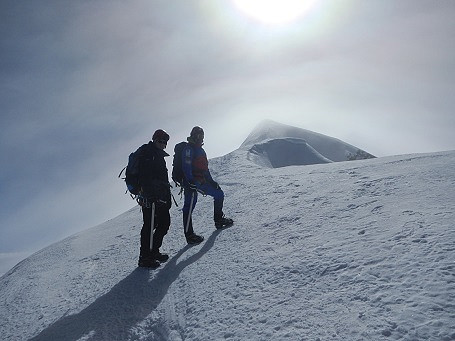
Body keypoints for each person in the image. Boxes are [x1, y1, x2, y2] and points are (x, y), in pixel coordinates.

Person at [181, 126, 233, 244]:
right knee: (189, 207)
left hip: (201, 181)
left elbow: (204, 169)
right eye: (198, 136)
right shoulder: (189, 149)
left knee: (219, 194)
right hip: (192, 183)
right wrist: (190, 181)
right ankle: (189, 235)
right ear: (193, 135)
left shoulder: (200, 150)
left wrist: (211, 181)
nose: (200, 138)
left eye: (202, 136)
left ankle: (219, 220)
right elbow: (186, 166)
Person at [136, 129, 172, 268]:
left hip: (160, 198)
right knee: (150, 225)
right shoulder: (148, 154)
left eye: (165, 142)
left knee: (163, 223)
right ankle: (144, 257)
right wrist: (150, 196)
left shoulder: (158, 156)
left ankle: (153, 251)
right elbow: (145, 177)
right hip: (149, 198)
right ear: (155, 140)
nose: (163, 144)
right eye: (161, 141)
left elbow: (161, 179)